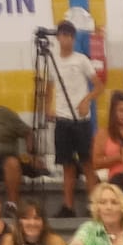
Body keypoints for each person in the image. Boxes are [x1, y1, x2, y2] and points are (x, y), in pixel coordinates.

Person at [42, 21, 100, 216]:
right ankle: (68, 206)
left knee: (87, 164)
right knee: (67, 165)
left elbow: (98, 86)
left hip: (81, 120)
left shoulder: (81, 60)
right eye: (62, 35)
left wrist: (86, 101)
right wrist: (47, 107)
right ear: (57, 37)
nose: (66, 39)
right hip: (62, 120)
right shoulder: (52, 61)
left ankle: (94, 206)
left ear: (74, 39)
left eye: (70, 36)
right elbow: (49, 87)